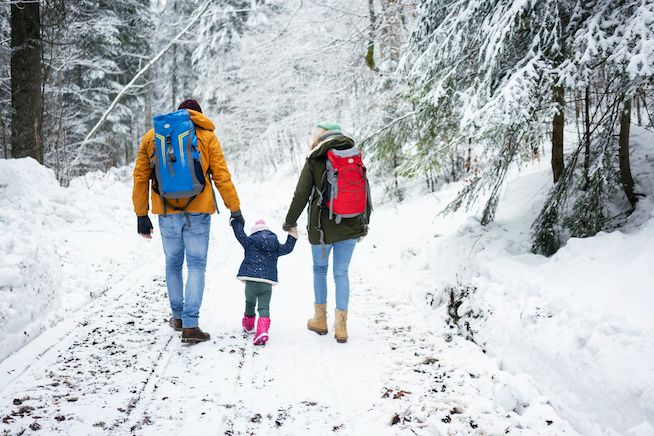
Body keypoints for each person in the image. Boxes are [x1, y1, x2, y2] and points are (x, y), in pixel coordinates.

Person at [132, 99, 243, 343]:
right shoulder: (206, 136)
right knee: (196, 265)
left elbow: (140, 176)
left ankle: (178, 317)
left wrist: (141, 213)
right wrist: (234, 209)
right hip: (198, 211)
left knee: (172, 264)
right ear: (197, 116)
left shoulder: (153, 137)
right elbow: (221, 175)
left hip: (166, 210)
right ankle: (191, 325)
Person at [283, 122, 371, 343]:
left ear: (319, 136)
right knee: (341, 272)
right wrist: (364, 223)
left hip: (321, 229)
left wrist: (289, 222)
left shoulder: (315, 157)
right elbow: (365, 190)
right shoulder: (353, 154)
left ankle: (320, 320)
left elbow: (301, 194)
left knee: (320, 270)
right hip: (351, 224)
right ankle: (341, 327)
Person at [230, 218, 297, 345]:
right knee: (264, 307)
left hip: (251, 280)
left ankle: (249, 325)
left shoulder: (250, 241)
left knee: (250, 303)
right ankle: (262, 331)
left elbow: (240, 235)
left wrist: (235, 222)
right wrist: (292, 232)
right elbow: (288, 248)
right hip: (267, 282)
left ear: (254, 232)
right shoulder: (274, 244)